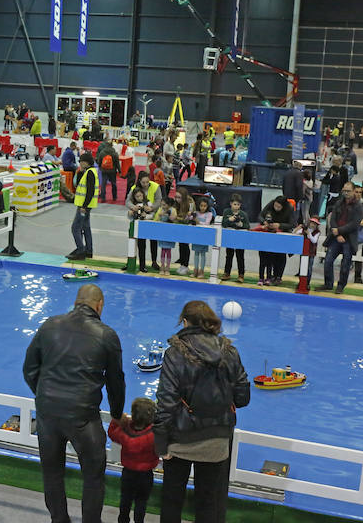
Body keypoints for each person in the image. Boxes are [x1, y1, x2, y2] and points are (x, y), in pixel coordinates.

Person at [22, 284, 125, 523]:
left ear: (77, 302)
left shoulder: (50, 325)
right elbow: (115, 381)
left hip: (48, 414)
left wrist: (44, 396)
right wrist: (117, 413)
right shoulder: (106, 334)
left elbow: (29, 369)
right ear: (100, 306)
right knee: (93, 477)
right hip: (83, 416)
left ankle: (59, 520)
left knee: (52, 473)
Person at [154, 301, 250, 523]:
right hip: (216, 441)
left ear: (185, 322)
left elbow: (166, 401)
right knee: (209, 503)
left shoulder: (174, 353)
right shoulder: (230, 352)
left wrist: (160, 443)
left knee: (171, 501)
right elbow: (243, 397)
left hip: (180, 439)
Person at [108, 398, 158, 523]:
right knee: (141, 501)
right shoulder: (153, 435)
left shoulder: (124, 431)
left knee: (125, 499)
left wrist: (116, 421)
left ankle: (123, 520)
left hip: (128, 473)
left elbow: (112, 433)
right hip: (146, 474)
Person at [319, 182, 363, 294]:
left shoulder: (359, 207)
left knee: (345, 264)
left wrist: (339, 231)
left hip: (349, 239)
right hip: (336, 237)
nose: (346, 193)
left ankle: (341, 286)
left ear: (354, 191)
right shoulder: (339, 203)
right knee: (328, 260)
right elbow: (333, 218)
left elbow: (354, 224)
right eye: (344, 191)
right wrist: (337, 233)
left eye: (348, 191)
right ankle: (328, 284)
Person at [126, 171, 162, 271]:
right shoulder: (134, 188)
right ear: (139, 181)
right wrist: (133, 207)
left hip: (152, 218)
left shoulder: (155, 186)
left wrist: (152, 208)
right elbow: (127, 201)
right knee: (140, 243)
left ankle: (154, 262)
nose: (145, 184)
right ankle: (142, 264)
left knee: (153, 241)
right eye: (143, 182)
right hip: (139, 221)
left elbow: (159, 200)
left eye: (147, 182)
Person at [258, 196, 294, 285]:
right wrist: (264, 222)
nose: (276, 208)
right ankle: (270, 276)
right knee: (270, 256)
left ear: (283, 206)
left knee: (280, 255)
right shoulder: (271, 204)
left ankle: (278, 276)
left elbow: (292, 224)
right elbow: (260, 216)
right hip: (270, 232)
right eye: (275, 206)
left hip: (282, 234)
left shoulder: (289, 208)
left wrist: (280, 225)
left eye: (279, 207)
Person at [69, 152, 97, 260]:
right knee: (86, 228)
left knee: (75, 228)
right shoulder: (90, 171)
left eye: (81, 161)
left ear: (86, 162)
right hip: (87, 205)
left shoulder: (89, 173)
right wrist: (80, 172)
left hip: (84, 206)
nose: (80, 163)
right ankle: (88, 251)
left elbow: (90, 191)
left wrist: (84, 206)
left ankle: (80, 250)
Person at [220, 193, 249, 282]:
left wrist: (241, 224)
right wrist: (229, 220)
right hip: (230, 237)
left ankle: (241, 274)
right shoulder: (226, 212)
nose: (236, 206)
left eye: (238, 205)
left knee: (240, 256)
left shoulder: (243, 214)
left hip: (240, 238)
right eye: (234, 204)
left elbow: (247, 226)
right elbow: (223, 224)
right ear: (231, 204)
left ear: (240, 205)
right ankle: (227, 273)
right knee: (229, 255)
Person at [173, 186, 195, 276]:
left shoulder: (190, 204)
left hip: (188, 227)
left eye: (179, 197)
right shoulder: (176, 203)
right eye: (176, 197)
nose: (177, 199)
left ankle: (185, 265)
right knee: (181, 245)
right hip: (179, 227)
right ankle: (182, 263)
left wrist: (177, 218)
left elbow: (187, 219)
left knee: (185, 245)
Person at [155, 197, 178, 275]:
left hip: (170, 233)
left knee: (168, 251)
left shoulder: (173, 210)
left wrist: (167, 214)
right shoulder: (161, 209)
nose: (162, 206)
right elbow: (157, 219)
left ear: (169, 205)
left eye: (164, 205)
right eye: (161, 205)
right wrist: (159, 215)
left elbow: (174, 219)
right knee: (163, 250)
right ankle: (162, 266)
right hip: (162, 232)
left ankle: (167, 267)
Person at [192, 198, 213, 278]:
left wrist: (198, 222)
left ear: (207, 206)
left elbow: (207, 223)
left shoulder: (209, 214)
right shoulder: (196, 213)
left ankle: (202, 271)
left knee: (203, 254)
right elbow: (190, 219)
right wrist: (190, 215)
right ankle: (195, 270)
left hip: (204, 236)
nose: (203, 207)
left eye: (205, 206)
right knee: (196, 253)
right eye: (201, 206)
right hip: (196, 236)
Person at [97, 136, 121, 203]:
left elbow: (99, 161)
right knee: (113, 184)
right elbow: (117, 163)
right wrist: (119, 171)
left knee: (103, 184)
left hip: (104, 170)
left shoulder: (102, 152)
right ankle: (114, 196)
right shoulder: (114, 153)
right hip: (112, 171)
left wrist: (100, 167)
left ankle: (103, 197)